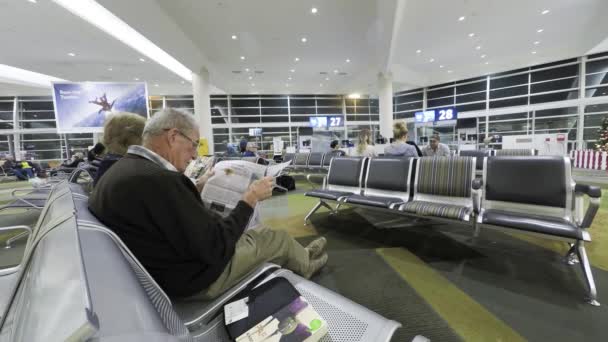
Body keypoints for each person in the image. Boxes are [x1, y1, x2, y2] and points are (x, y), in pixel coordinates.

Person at [89, 108, 327, 300]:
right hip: (196, 279)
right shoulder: (158, 179)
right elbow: (216, 248)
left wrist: (194, 190)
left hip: (165, 270)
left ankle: (302, 254)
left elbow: (170, 216)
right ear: (172, 137)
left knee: (262, 233)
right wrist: (250, 198)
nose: (194, 154)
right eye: (193, 144)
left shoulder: (125, 170)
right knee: (274, 237)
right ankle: (305, 264)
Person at [94, 112, 146, 185]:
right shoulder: (128, 170)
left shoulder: (109, 164)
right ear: (130, 137)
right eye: (143, 135)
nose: (145, 140)